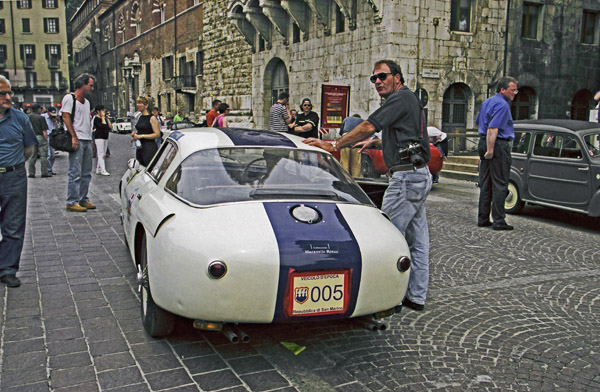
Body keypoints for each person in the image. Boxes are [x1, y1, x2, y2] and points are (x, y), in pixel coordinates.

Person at [304, 60, 432, 312]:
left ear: (397, 77)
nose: (378, 82)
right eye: (373, 79)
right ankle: (416, 296)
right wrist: (376, 143)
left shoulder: (397, 99)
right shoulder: (408, 99)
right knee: (418, 242)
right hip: (418, 174)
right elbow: (402, 132)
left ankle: (381, 299)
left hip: (406, 178)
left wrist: (333, 145)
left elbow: (368, 124)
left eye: (382, 77)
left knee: (386, 240)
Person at [0, 75, 38, 287]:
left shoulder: (20, 118)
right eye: (2, 93)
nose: (8, 97)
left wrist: (11, 165)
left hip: (14, 176)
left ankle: (7, 269)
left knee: (13, 225)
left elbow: (28, 148)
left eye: (9, 92)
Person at [476, 76, 518, 231]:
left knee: (486, 183)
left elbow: (479, 122)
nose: (515, 92)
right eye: (512, 89)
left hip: (482, 141)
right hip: (497, 144)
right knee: (500, 184)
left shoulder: (487, 102)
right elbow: (493, 129)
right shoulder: (502, 105)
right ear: (503, 89)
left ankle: (483, 217)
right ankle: (499, 220)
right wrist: (490, 150)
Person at [61, 73, 96, 212]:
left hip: (86, 139)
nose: (92, 88)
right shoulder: (69, 99)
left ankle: (83, 198)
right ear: (82, 84)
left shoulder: (86, 102)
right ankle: (72, 201)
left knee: (86, 172)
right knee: (75, 172)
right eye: (90, 85)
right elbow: (66, 117)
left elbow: (87, 122)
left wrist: (91, 140)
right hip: (77, 139)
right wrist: (73, 136)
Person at [131, 97, 161, 166]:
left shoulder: (152, 118)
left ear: (146, 105)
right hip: (140, 147)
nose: (137, 105)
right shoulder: (140, 117)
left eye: (140, 103)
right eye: (137, 103)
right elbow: (143, 130)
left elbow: (157, 134)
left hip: (149, 148)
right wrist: (135, 134)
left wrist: (142, 136)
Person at [26, 104, 50, 178]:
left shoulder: (27, 117)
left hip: (31, 137)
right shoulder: (41, 118)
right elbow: (44, 130)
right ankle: (44, 172)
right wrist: (46, 139)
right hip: (40, 137)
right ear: (38, 109)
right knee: (43, 156)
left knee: (32, 156)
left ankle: (31, 173)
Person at [92, 105, 112, 176]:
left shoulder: (105, 119)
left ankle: (98, 169)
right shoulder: (96, 119)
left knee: (103, 154)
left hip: (105, 137)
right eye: (102, 110)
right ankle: (103, 170)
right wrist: (103, 118)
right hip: (99, 137)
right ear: (98, 111)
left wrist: (107, 119)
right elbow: (103, 126)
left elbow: (110, 127)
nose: (103, 112)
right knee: (100, 154)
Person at [42, 107, 58, 175]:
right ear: (48, 112)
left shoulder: (54, 118)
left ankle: (50, 168)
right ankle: (48, 170)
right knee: (48, 154)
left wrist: (55, 121)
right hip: (46, 135)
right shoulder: (43, 117)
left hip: (53, 136)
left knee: (52, 155)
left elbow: (56, 127)